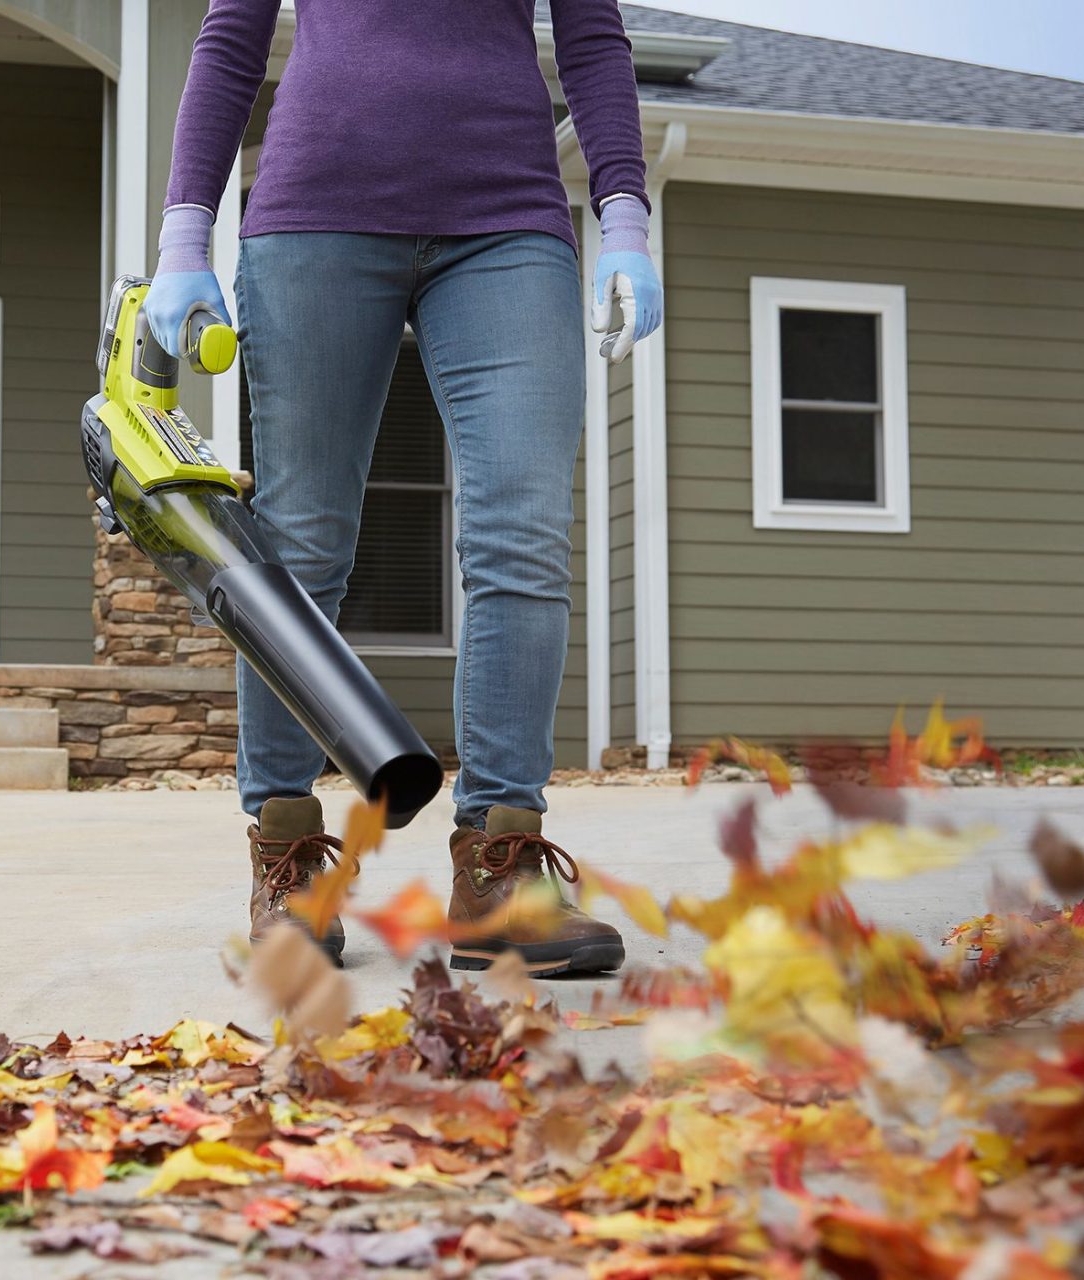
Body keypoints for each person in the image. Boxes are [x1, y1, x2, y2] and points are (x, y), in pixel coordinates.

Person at [144, 0, 664, 977]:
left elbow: (593, 32)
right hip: (315, 214)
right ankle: (287, 855)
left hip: (508, 220)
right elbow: (231, 30)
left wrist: (625, 217)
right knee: (297, 548)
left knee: (522, 533)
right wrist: (184, 236)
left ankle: (500, 864)